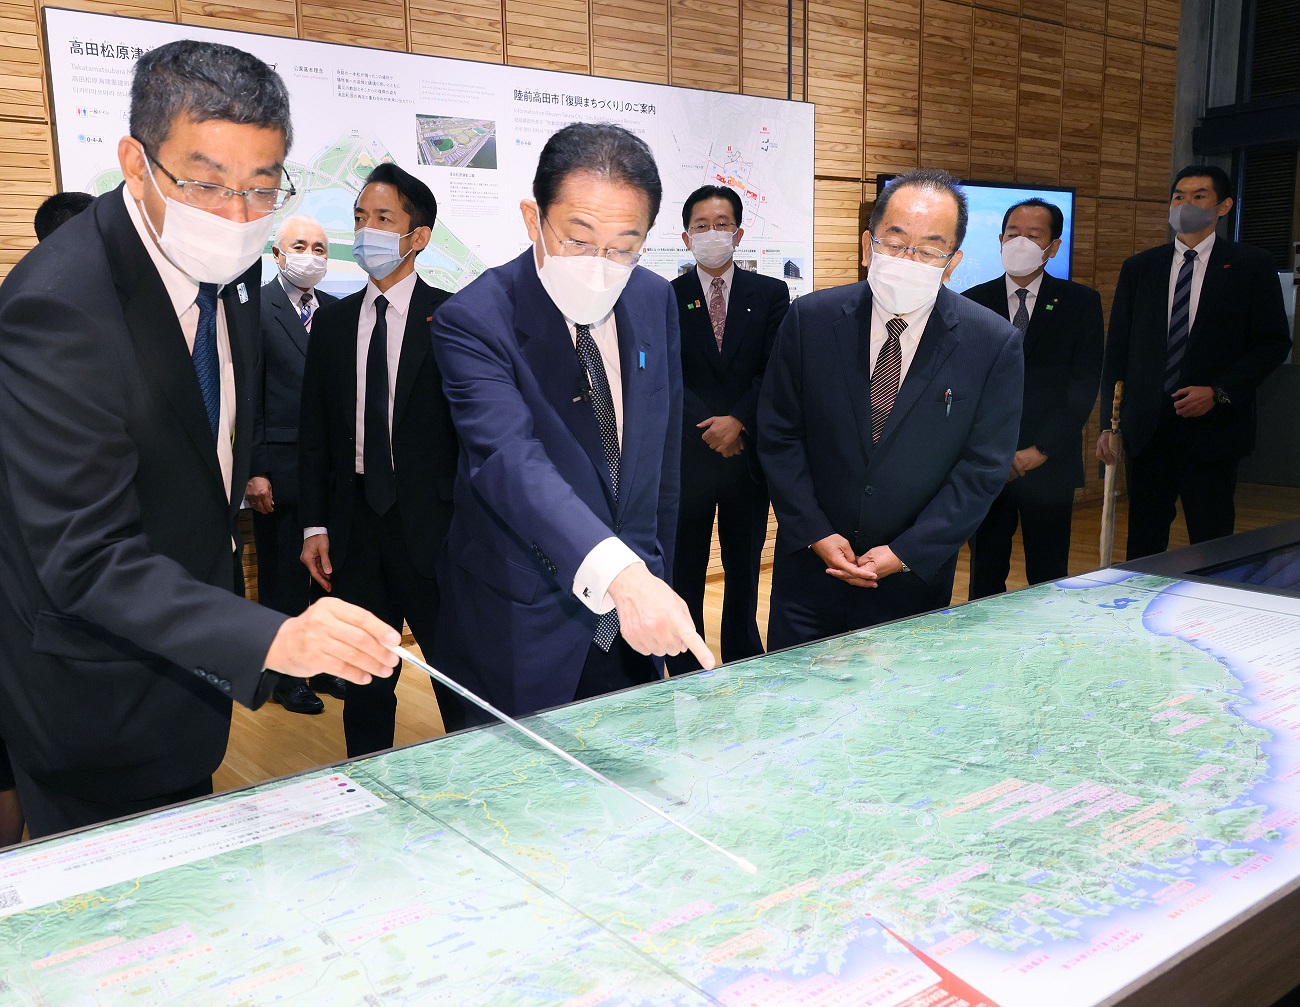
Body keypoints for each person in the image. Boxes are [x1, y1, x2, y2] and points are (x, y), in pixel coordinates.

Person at [0, 40, 399, 839]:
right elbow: (85, 555)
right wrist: (273, 633)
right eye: (206, 183)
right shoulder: (59, 307)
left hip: (188, 678)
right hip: (96, 696)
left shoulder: (233, 272)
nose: (237, 216)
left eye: (261, 187)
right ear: (136, 161)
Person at [431, 122, 713, 722]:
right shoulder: (475, 319)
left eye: (623, 246)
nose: (600, 264)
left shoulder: (652, 298)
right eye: (578, 240)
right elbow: (511, 463)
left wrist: (652, 573)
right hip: (523, 621)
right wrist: (624, 577)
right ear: (535, 219)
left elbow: (659, 465)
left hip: (631, 621)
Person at [758, 168, 1023, 649]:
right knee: (795, 711)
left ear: (953, 261)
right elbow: (780, 433)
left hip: (913, 579)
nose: (908, 258)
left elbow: (983, 467)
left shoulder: (992, 343)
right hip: (810, 569)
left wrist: (906, 552)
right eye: (895, 241)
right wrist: (814, 529)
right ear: (867, 245)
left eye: (929, 249)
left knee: (902, 717)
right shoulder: (810, 319)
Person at [297, 161, 461, 756]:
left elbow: (473, 437)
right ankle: (369, 782)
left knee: (456, 672)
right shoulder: (335, 322)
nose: (367, 231)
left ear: (417, 236)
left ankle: (486, 779)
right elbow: (314, 431)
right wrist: (315, 523)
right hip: (356, 524)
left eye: (384, 219)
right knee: (365, 674)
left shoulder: (451, 319)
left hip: (435, 528)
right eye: (361, 218)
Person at [1096, 165, 1291, 559]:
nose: (1186, 205)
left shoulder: (1252, 264)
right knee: (1145, 541)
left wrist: (1219, 391)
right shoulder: (1140, 268)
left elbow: (1272, 344)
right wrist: (1108, 425)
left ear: (1224, 206)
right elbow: (1117, 350)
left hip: (1213, 428)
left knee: (1212, 536)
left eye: (1199, 196)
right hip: (1148, 427)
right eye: (1178, 196)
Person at [670, 185, 789, 670]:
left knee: (743, 566)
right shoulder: (665, 297)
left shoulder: (770, 293)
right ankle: (684, 658)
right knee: (686, 568)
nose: (712, 233)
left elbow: (776, 368)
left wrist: (738, 420)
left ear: (738, 233)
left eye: (722, 224)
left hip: (747, 458)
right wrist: (711, 427)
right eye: (702, 226)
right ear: (685, 237)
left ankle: (743, 654)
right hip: (690, 457)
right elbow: (664, 374)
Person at [964, 198, 1103, 597]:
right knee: (984, 571)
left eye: (1033, 235)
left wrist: (1039, 449)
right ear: (1000, 239)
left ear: (1053, 247)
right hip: (987, 466)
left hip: (1049, 462)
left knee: (1048, 571)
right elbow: (965, 385)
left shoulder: (1080, 303)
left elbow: (1083, 385)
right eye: (1013, 234)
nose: (1020, 242)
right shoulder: (972, 300)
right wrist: (992, 453)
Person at [247, 214, 342, 715]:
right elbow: (250, 399)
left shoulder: (334, 311)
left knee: (327, 575)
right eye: (301, 245)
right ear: (278, 254)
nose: (312, 255)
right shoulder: (257, 309)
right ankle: (285, 675)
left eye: (321, 248)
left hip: (328, 470)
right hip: (279, 470)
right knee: (284, 577)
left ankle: (323, 662)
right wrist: (253, 470)